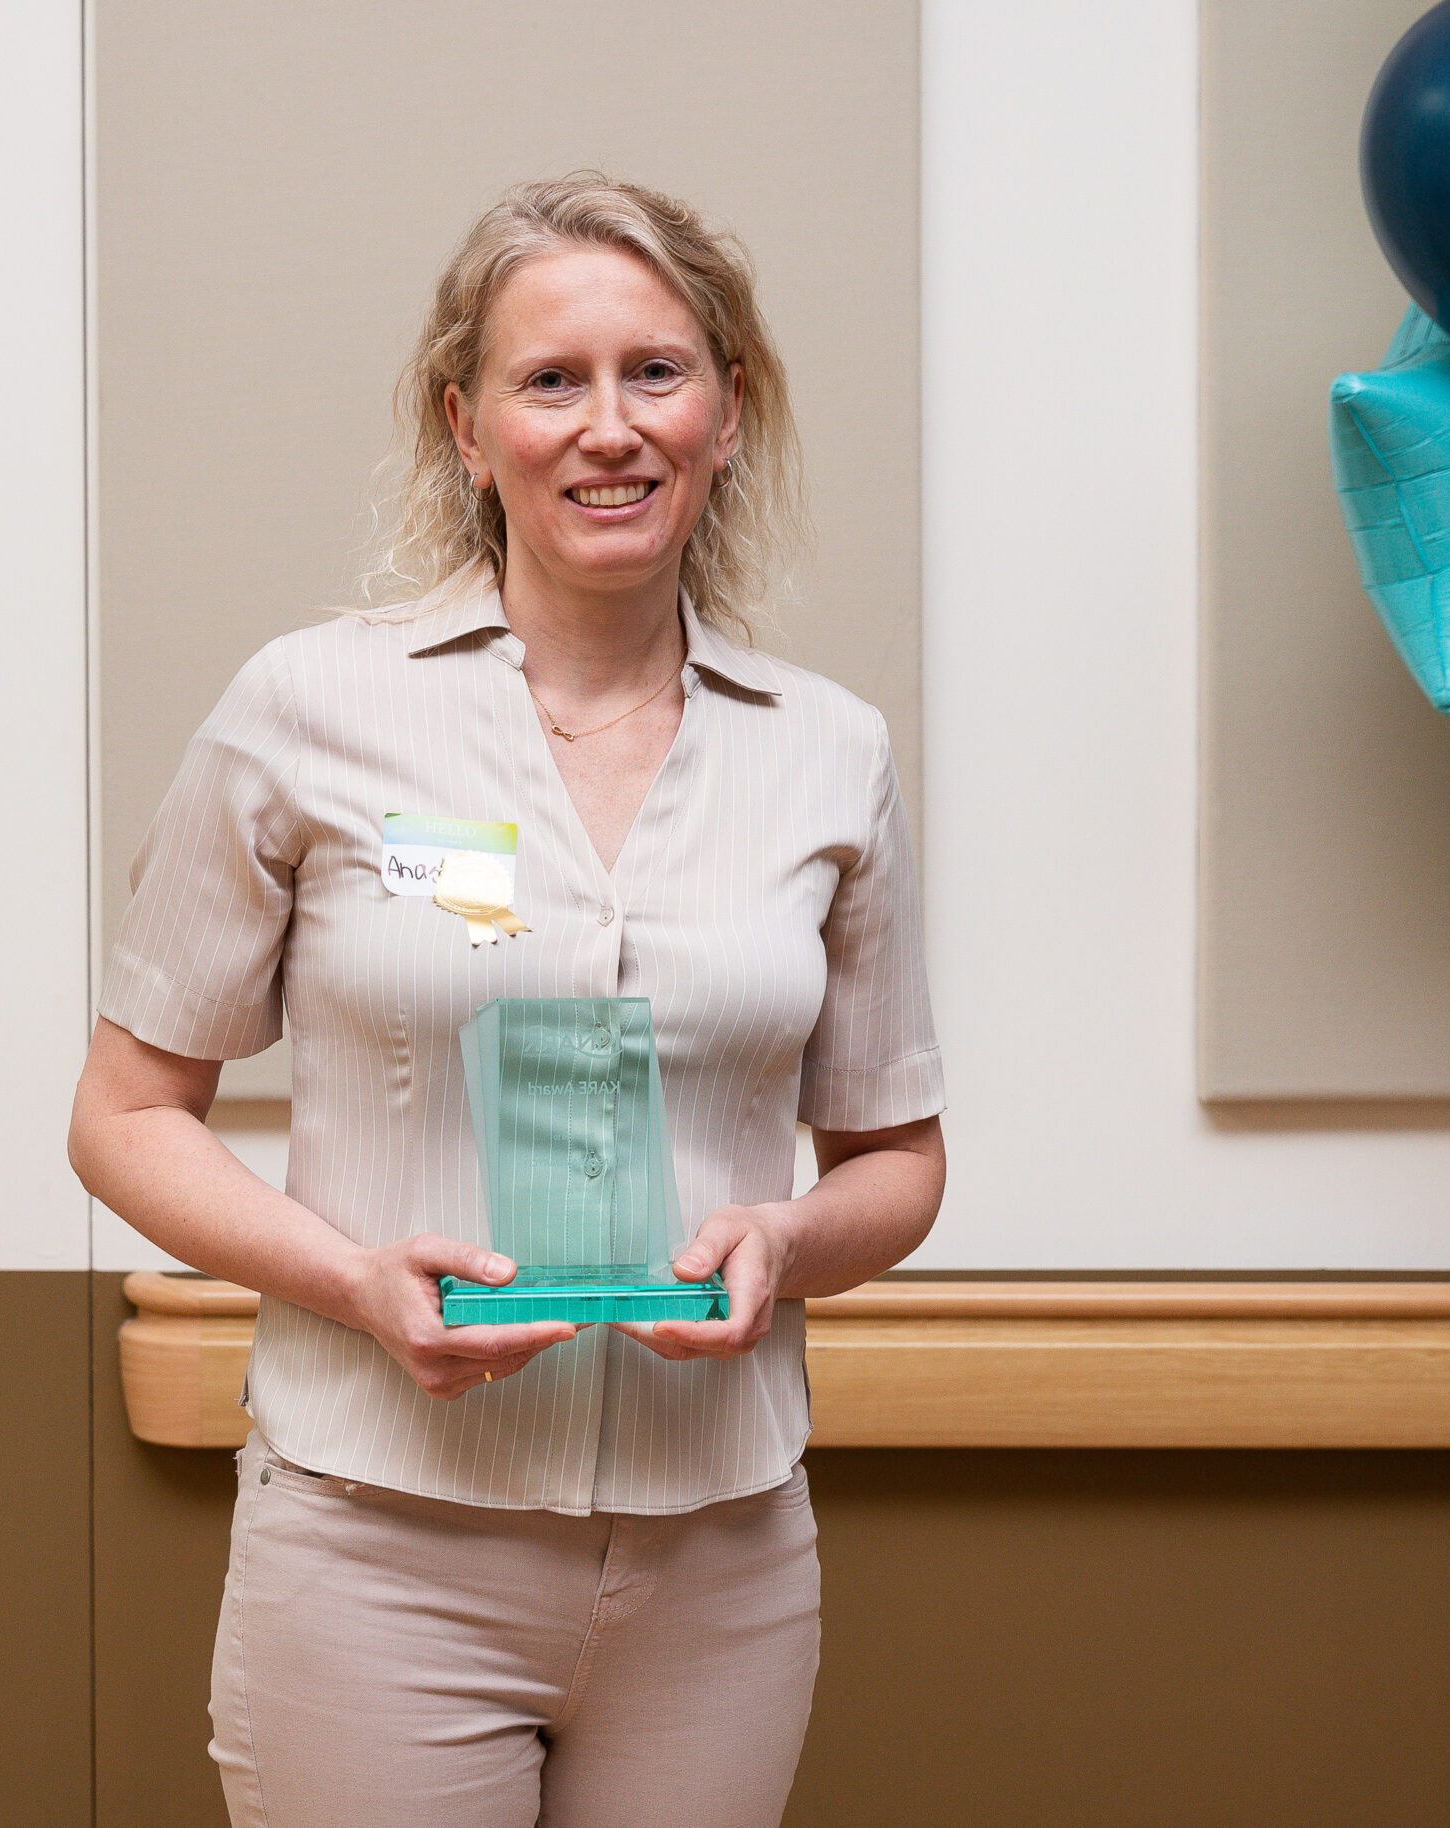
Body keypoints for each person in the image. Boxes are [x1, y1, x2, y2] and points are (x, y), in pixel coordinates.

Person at [69, 173, 946, 1828]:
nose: (608, 428)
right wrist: (347, 1277)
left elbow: (899, 1159)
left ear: (730, 411)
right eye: (552, 382)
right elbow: (121, 1116)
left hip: (721, 1566)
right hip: (381, 1545)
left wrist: (787, 1241)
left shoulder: (832, 750)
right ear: (466, 427)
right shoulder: (308, 712)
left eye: (657, 373)